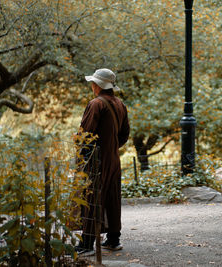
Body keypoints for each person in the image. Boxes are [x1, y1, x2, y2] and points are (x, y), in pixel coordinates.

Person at [76, 68, 130, 255]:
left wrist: (82, 157)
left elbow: (85, 135)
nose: (91, 86)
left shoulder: (95, 104)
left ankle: (87, 243)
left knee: (91, 197)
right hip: (114, 158)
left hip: (96, 158)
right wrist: (111, 146)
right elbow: (124, 135)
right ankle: (113, 239)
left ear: (98, 85)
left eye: (93, 83)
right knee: (112, 198)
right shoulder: (120, 104)